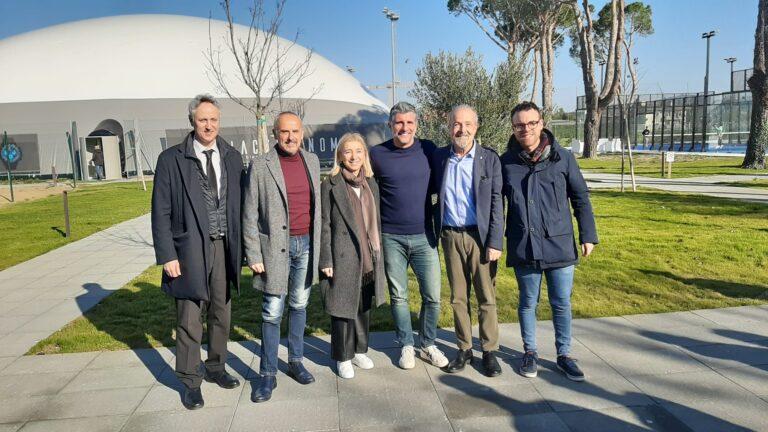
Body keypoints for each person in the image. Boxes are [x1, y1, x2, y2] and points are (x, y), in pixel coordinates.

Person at [151, 94, 243, 410]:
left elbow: (238, 205)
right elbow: (160, 212)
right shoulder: (171, 159)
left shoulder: (231, 156)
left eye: (214, 119)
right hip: (189, 250)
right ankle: (190, 381)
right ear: (192, 120)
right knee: (190, 318)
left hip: (223, 246)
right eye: (203, 119)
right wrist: (167, 255)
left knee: (221, 311)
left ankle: (216, 367)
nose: (209, 125)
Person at [500, 101, 598, 382]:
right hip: (524, 245)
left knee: (561, 303)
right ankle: (529, 351)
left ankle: (564, 355)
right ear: (513, 128)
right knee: (527, 302)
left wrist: (587, 235)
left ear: (541, 123)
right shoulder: (506, 162)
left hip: (560, 245)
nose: (526, 129)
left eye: (531, 123)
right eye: (519, 125)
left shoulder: (563, 158)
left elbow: (580, 198)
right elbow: (496, 206)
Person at [243, 111, 321, 402]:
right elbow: (249, 213)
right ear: (276, 134)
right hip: (275, 248)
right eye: (285, 132)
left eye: (296, 132)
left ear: (302, 133)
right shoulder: (261, 165)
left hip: (306, 245)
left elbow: (318, 209)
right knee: (272, 311)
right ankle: (267, 374)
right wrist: (253, 253)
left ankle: (296, 362)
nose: (291, 137)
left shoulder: (311, 161)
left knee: (300, 305)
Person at [369, 101, 448, 370]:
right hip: (391, 236)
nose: (404, 127)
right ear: (390, 125)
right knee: (399, 296)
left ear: (417, 124)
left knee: (433, 296)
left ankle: (428, 344)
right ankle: (405, 344)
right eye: (399, 123)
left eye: (409, 122)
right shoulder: (377, 154)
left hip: (425, 236)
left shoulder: (429, 149)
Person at [431, 105, 504, 377]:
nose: (461, 129)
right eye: (456, 124)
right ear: (449, 127)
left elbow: (497, 202)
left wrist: (495, 241)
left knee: (486, 296)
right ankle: (464, 349)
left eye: (467, 124)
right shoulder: (439, 157)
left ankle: (489, 351)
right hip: (450, 235)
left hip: (480, 238)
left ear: (476, 126)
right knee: (458, 298)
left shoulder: (489, 159)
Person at [319, 133, 387, 379]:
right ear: (340, 155)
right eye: (348, 151)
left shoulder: (371, 184)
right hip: (342, 255)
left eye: (359, 151)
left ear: (364, 155)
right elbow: (324, 224)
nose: (353, 156)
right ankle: (342, 356)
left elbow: (375, 223)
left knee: (362, 306)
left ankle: (359, 350)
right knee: (342, 308)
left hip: (368, 255)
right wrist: (326, 259)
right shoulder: (331, 184)